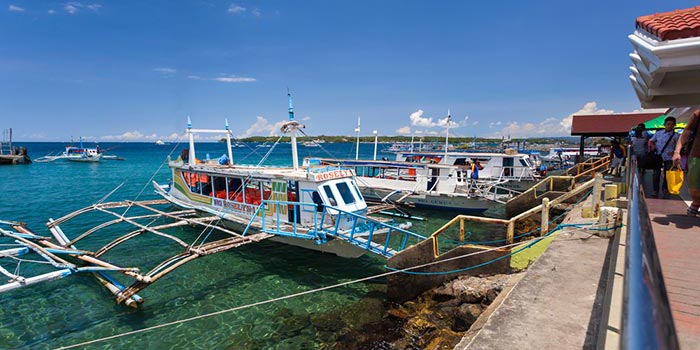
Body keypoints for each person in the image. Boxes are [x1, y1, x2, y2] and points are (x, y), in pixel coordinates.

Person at [673, 110, 700, 216]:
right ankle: (696, 202)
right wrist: (677, 151)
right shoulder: (698, 114)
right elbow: (687, 131)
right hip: (697, 155)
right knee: (694, 187)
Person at [649, 116, 680, 197]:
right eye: (668, 124)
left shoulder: (676, 135)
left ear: (674, 125)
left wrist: (675, 152)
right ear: (664, 124)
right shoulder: (658, 133)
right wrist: (653, 146)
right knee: (656, 174)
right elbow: (651, 141)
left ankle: (665, 189)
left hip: (669, 158)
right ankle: (655, 190)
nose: (670, 126)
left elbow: (680, 145)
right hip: (658, 156)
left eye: (672, 124)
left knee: (667, 174)